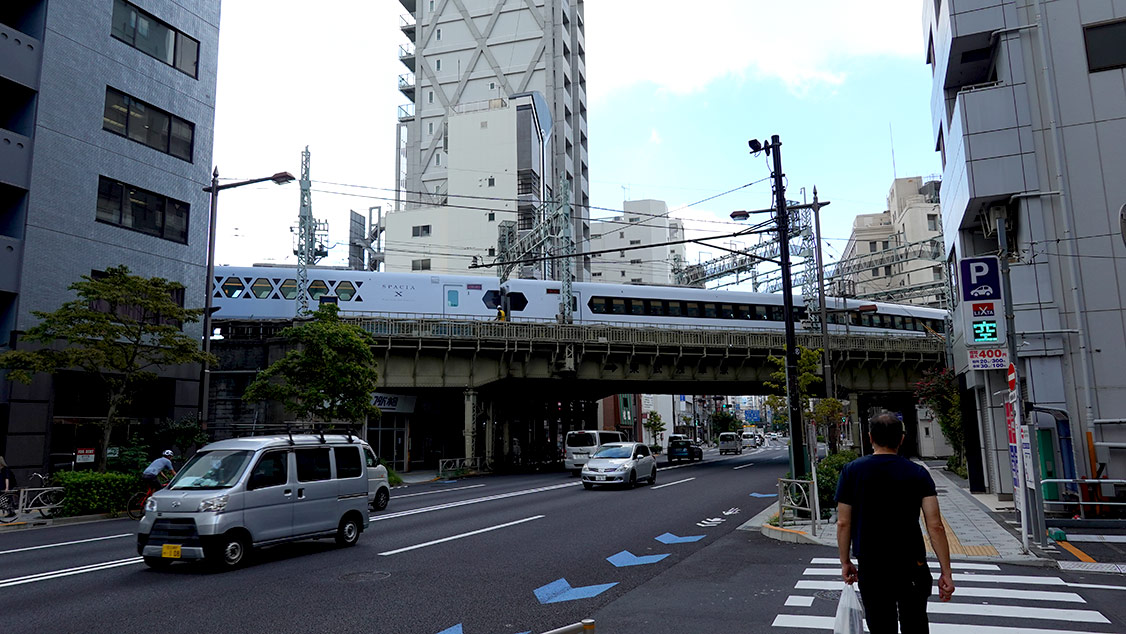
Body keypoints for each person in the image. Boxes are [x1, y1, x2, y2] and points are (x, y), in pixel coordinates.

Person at [836, 413, 955, 634]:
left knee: (881, 626)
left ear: (870, 438)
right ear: (901, 439)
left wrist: (845, 561)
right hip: (911, 564)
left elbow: (843, 522)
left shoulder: (852, 471)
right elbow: (935, 526)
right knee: (915, 624)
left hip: (872, 565)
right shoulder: (917, 473)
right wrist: (946, 571)